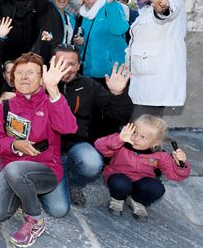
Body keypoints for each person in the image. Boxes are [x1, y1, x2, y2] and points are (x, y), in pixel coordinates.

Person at [0, 53, 78, 248]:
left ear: (41, 77)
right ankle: (25, 194)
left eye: (31, 72)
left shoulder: (51, 101)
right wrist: (14, 144)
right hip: (13, 169)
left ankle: (34, 220)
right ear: (13, 78)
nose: (24, 77)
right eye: (19, 73)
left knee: (59, 209)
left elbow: (69, 128)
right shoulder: (6, 106)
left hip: (45, 168)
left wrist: (53, 89)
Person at [40, 45, 133, 216]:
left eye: (72, 64)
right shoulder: (40, 83)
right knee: (58, 209)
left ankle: (75, 183)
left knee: (92, 162)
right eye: (61, 62)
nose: (67, 68)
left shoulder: (90, 85)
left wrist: (118, 94)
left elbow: (117, 117)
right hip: (45, 148)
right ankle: (50, 181)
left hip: (77, 143)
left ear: (79, 64)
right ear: (52, 62)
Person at [95, 116, 190, 221]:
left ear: (156, 142)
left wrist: (180, 164)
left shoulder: (160, 155)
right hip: (118, 176)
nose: (135, 138)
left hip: (141, 181)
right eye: (135, 132)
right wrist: (119, 139)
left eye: (143, 137)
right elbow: (99, 146)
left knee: (157, 188)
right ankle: (117, 199)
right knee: (120, 183)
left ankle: (138, 201)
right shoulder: (121, 144)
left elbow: (174, 175)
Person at [128, 0, 187, 119]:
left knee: (142, 128)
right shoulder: (144, 8)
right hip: (144, 78)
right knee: (144, 128)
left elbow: (168, 9)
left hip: (156, 80)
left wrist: (163, 9)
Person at [73, 0, 128, 81]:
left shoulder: (111, 6)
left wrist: (111, 3)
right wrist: (79, 43)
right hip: (87, 74)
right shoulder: (82, 16)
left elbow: (120, 29)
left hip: (112, 73)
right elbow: (85, 45)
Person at [31, 0, 76, 64]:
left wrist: (78, 42)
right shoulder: (46, 9)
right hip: (44, 62)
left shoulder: (72, 19)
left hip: (65, 63)